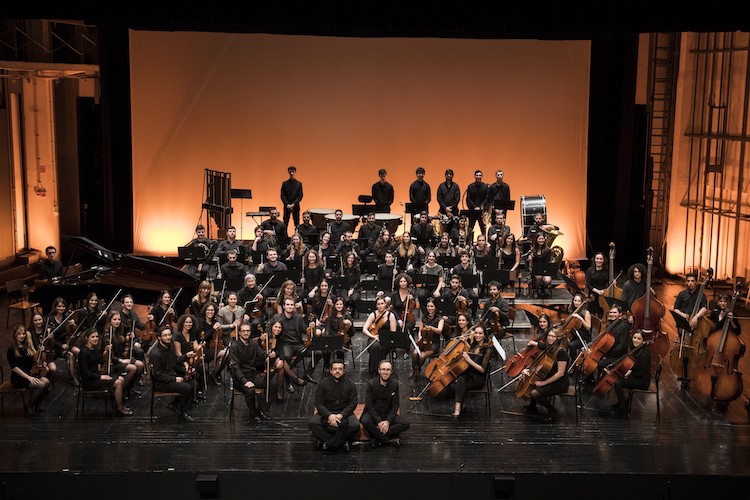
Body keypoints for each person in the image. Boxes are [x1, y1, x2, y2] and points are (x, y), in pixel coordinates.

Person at [78, 327, 132, 416]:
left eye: (97, 337)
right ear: (87, 338)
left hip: (96, 376)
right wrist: (100, 377)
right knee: (118, 383)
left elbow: (101, 360)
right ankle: (119, 408)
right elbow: (85, 372)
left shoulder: (94, 349)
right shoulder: (83, 352)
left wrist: (106, 351)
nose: (96, 339)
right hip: (89, 381)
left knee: (121, 379)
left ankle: (118, 403)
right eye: (93, 337)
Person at [309, 360, 359, 452]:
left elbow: (353, 403)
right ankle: (341, 442)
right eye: (335, 369)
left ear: (344, 371)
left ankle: (328, 443)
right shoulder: (323, 383)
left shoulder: (350, 384)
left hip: (344, 413)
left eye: (340, 369)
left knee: (355, 425)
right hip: (327, 412)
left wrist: (341, 415)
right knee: (312, 423)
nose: (337, 371)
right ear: (331, 371)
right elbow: (318, 403)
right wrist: (329, 416)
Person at [229, 321, 275, 422]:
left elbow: (262, 355)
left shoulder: (253, 343)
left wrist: (269, 356)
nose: (246, 333)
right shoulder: (234, 346)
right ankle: (253, 415)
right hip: (239, 378)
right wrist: (245, 381)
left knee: (272, 385)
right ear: (239, 333)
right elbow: (236, 368)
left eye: (248, 331)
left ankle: (261, 410)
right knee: (250, 391)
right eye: (243, 331)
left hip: (252, 373)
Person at [149, 325, 196, 421]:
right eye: (165, 335)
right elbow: (158, 375)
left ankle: (175, 404)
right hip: (162, 383)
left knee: (194, 383)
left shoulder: (170, 347)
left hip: (171, 376)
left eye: (169, 335)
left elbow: (176, 361)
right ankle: (183, 413)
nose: (168, 337)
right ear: (159, 338)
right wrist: (175, 379)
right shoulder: (155, 353)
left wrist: (186, 356)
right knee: (187, 387)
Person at [362, 359, 410, 447]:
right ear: (379, 371)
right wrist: (379, 421)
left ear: (391, 372)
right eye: (383, 369)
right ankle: (387, 441)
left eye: (388, 370)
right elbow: (369, 404)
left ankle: (376, 437)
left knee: (406, 423)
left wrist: (387, 421)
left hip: (387, 413)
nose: (385, 372)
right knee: (365, 421)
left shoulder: (394, 384)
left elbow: (395, 404)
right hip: (374, 414)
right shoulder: (371, 384)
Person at [522, 328, 569, 417]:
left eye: (553, 336)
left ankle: (552, 410)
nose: (550, 338)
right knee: (532, 382)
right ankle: (533, 406)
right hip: (549, 376)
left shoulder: (561, 352)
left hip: (560, 382)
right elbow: (538, 358)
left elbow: (560, 373)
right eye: (549, 336)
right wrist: (528, 369)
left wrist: (543, 382)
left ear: (558, 338)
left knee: (534, 393)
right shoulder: (549, 347)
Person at [7, 325, 50, 415]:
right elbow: (14, 367)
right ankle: (29, 405)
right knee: (41, 385)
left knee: (46, 381)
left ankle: (37, 405)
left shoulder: (27, 346)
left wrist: (41, 362)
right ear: (15, 335)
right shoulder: (11, 349)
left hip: (29, 373)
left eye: (23, 334)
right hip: (19, 377)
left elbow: (32, 360)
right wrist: (28, 378)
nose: (22, 336)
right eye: (19, 334)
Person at [452, 325, 492, 419]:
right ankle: (458, 409)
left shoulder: (488, 350)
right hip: (469, 373)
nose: (477, 335)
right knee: (458, 380)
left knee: (457, 385)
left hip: (478, 378)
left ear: (484, 335)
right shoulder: (475, 344)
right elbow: (472, 351)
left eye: (480, 333)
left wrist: (468, 360)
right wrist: (465, 342)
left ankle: (458, 409)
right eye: (476, 333)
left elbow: (482, 369)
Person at [611, 330, 651, 418]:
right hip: (637, 376)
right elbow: (635, 366)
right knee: (618, 380)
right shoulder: (636, 349)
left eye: (639, 339)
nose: (635, 340)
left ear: (643, 341)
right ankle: (623, 402)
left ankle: (623, 408)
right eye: (634, 338)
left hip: (642, 381)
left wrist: (629, 374)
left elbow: (641, 372)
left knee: (618, 383)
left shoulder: (645, 354)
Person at [362, 297, 398, 377]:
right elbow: (364, 329)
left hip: (386, 339)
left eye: (382, 303)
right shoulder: (373, 315)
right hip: (374, 338)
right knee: (375, 346)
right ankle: (374, 371)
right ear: (376, 305)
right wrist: (373, 336)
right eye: (378, 304)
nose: (380, 306)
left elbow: (393, 332)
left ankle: (382, 370)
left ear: (385, 304)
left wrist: (384, 337)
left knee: (380, 347)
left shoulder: (391, 316)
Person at [411, 298, 444, 378]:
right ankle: (413, 368)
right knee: (415, 353)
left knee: (422, 355)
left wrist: (432, 328)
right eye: (428, 306)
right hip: (423, 340)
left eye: (432, 306)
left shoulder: (440, 318)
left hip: (434, 343)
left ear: (435, 307)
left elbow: (439, 330)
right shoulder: (423, 317)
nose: (430, 308)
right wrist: (419, 337)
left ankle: (418, 368)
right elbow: (420, 331)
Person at [566, 292, 593, 368]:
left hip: (583, 338)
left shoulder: (585, 313)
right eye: (575, 300)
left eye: (578, 301)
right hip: (575, 335)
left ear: (582, 302)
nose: (576, 303)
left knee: (572, 345)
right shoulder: (572, 311)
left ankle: (576, 364)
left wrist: (580, 318)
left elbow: (588, 327)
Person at [528, 233, 553, 298]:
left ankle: (542, 288)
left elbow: (548, 262)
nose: (541, 240)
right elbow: (530, 262)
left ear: (544, 239)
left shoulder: (548, 250)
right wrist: (530, 258)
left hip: (545, 269)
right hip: (535, 269)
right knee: (539, 277)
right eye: (539, 239)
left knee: (547, 280)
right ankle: (536, 291)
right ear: (536, 239)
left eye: (542, 238)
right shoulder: (533, 249)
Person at [466, 169, 489, 238]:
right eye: (477, 175)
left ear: (482, 176)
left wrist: (481, 206)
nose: (478, 176)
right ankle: (468, 243)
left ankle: (484, 243)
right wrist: (474, 207)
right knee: (470, 228)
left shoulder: (485, 186)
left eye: (480, 175)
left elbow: (487, 198)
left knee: (483, 228)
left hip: (482, 211)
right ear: (474, 176)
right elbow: (468, 198)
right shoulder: (470, 186)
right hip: (472, 211)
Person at [437, 168, 461, 234]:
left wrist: (451, 208)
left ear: (452, 175)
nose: (449, 176)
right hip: (443, 211)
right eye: (447, 174)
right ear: (445, 175)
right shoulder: (441, 186)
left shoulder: (456, 186)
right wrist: (445, 208)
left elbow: (457, 198)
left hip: (454, 211)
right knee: (443, 230)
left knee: (454, 229)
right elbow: (439, 198)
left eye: (450, 174)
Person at [585, 251, 609, 317]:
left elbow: (609, 283)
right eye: (597, 259)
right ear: (594, 260)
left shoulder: (606, 271)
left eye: (601, 259)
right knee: (592, 314)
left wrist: (613, 283)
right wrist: (598, 291)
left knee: (601, 313)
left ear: (603, 260)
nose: (599, 261)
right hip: (593, 295)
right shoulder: (589, 270)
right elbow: (588, 285)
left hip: (603, 295)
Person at [280, 165, 303, 232]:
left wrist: (294, 204)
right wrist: (287, 204)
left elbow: (300, 195)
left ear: (295, 172)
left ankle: (297, 237)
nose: (291, 173)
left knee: (296, 223)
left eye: (293, 172)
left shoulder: (299, 184)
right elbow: (282, 195)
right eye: (290, 172)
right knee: (285, 223)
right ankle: (284, 237)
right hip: (287, 206)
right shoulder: (284, 183)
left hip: (295, 206)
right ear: (288, 172)